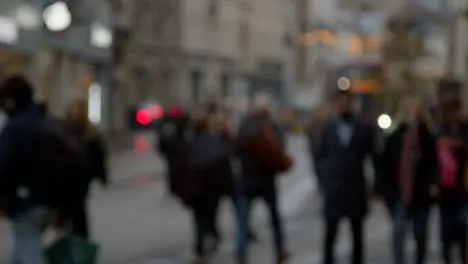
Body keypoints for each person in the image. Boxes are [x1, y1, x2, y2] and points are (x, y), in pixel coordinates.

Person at [0, 76, 87, 264]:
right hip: (53, 201)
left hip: (25, 200)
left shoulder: (15, 128)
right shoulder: (51, 123)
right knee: (23, 247)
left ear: (10, 100)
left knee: (28, 245)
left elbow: (3, 165)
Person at [313, 90, 377, 264]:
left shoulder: (364, 127)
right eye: (340, 102)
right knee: (330, 231)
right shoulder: (328, 127)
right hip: (334, 187)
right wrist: (324, 181)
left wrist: (374, 186)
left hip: (355, 187)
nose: (344, 105)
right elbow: (319, 155)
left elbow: (373, 157)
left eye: (347, 102)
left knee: (357, 232)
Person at [376, 97, 439, 264]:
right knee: (398, 231)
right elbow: (384, 164)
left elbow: (435, 163)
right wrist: (384, 189)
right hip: (398, 193)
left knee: (420, 233)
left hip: (421, 193)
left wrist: (433, 183)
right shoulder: (395, 137)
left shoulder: (428, 137)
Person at [235, 99, 289, 264]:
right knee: (274, 219)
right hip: (266, 180)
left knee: (243, 221)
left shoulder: (244, 128)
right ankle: (280, 249)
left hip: (247, 180)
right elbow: (279, 149)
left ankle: (241, 253)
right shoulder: (269, 128)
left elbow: (235, 150)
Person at [184, 115, 233, 263]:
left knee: (199, 218)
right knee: (211, 215)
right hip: (213, 189)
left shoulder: (191, 144)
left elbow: (184, 167)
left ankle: (201, 248)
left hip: (198, 189)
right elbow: (224, 162)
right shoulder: (215, 142)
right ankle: (212, 236)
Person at [63, 98, 108, 239]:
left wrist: (101, 176)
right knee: (69, 211)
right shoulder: (63, 129)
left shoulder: (90, 132)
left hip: (82, 177)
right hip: (66, 175)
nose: (73, 111)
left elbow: (99, 155)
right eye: (71, 108)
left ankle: (80, 241)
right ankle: (71, 239)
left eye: (76, 108)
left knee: (78, 210)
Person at [437, 100, 467, 264]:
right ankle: (447, 258)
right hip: (446, 188)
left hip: (462, 187)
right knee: (446, 230)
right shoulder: (441, 129)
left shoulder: (464, 128)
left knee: (462, 228)